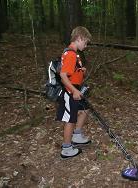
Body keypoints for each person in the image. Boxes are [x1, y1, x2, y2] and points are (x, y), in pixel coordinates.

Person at [56, 26, 92, 159]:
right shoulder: (71, 54)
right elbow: (63, 76)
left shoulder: (74, 53)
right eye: (86, 42)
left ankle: (76, 135)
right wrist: (74, 90)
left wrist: (80, 71)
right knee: (70, 119)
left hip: (75, 88)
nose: (86, 45)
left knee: (85, 109)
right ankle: (66, 148)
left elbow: (70, 71)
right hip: (69, 91)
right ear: (79, 38)